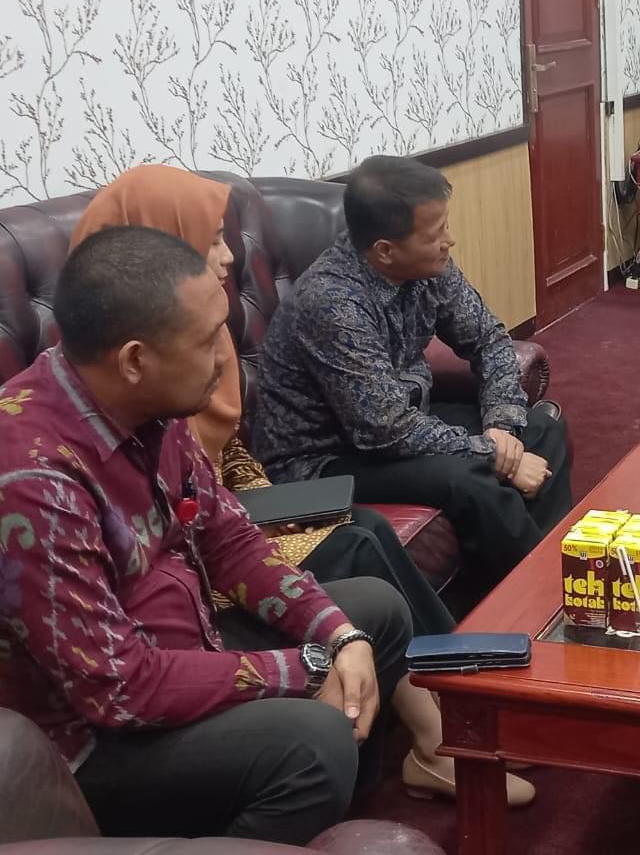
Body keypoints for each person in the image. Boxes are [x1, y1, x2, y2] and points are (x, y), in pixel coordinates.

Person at [65, 165, 533, 808]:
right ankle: (449, 722)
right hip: (174, 621)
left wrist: (334, 627)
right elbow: (120, 666)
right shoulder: (51, 464)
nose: (228, 257)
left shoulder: (162, 390)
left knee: (380, 561)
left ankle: (467, 698)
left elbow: (221, 491)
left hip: (238, 519)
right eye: (211, 241)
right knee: (365, 535)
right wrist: (313, 657)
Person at [0, 226, 405, 844]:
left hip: (185, 648)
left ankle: (333, 818)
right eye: (208, 337)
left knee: (375, 612)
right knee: (314, 744)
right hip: (98, 741)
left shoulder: (148, 405)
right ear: (135, 360)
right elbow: (121, 689)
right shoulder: (33, 482)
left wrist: (337, 636)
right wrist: (309, 666)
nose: (226, 354)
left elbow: (229, 540)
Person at [253, 155, 572, 598]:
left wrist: (502, 426)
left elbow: (489, 340)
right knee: (470, 479)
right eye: (436, 233)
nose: (449, 240)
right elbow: (383, 429)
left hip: (395, 425)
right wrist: (494, 454)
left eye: (446, 226)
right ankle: (544, 599)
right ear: (386, 249)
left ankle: (544, 574)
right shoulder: (332, 302)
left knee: (540, 428)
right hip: (327, 458)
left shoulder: (428, 268)